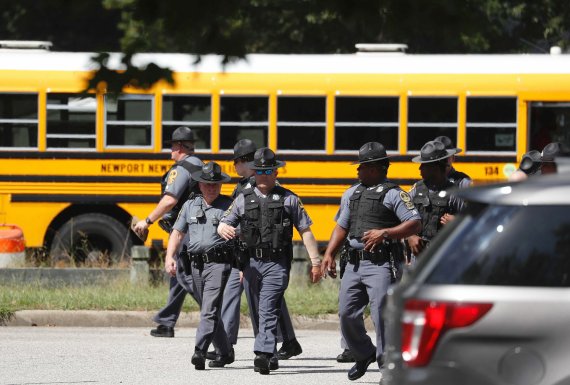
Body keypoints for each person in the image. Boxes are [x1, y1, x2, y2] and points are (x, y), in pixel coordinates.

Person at [321, 142, 421, 381]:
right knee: (346, 314)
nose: (357, 171)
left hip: (381, 265)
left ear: (376, 168)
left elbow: (414, 223)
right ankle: (364, 353)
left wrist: (385, 233)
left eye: (362, 167)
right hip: (353, 264)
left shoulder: (395, 194)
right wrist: (329, 254)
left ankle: (388, 368)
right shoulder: (352, 193)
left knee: (381, 314)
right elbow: (341, 226)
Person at [217, 147, 322, 375]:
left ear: (276, 173)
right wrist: (223, 227)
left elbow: (306, 231)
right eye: (259, 171)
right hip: (251, 263)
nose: (263, 175)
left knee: (268, 306)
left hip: (277, 263)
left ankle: (262, 354)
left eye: (268, 171)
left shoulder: (289, 199)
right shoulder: (243, 199)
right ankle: (271, 353)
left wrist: (315, 262)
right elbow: (225, 221)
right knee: (256, 309)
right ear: (253, 173)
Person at [210, 139, 302, 363]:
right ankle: (284, 341)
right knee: (266, 299)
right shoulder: (245, 186)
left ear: (246, 161)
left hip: (252, 254)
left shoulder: (257, 186)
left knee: (250, 297)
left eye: (237, 161)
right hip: (246, 253)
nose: (234, 167)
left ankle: (230, 347)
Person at [133, 126, 203, 338]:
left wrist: (147, 221)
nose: (170, 150)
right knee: (177, 275)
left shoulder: (181, 169)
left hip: (186, 231)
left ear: (180, 147)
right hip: (195, 228)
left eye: (172, 145)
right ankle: (166, 323)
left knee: (184, 274)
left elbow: (170, 199)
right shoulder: (199, 164)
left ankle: (216, 314)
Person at [164, 161, 235, 370]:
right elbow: (177, 233)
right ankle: (225, 351)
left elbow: (241, 234)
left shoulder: (229, 206)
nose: (211, 187)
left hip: (218, 264)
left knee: (209, 309)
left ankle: (200, 350)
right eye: (207, 184)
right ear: (200, 185)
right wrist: (170, 256)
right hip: (195, 265)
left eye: (215, 184)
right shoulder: (189, 205)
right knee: (209, 309)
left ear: (220, 185)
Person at [406, 140, 465, 258]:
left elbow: (471, 222)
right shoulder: (416, 189)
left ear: (435, 167)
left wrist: (456, 222)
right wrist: (410, 236)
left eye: (424, 165)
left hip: (443, 256)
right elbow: (401, 216)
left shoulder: (454, 192)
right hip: (418, 257)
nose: (420, 169)